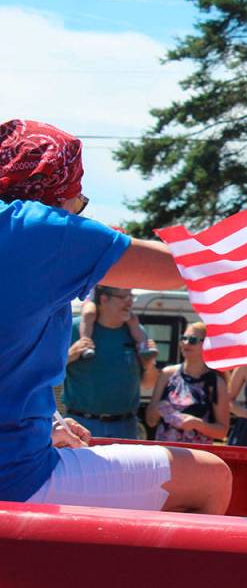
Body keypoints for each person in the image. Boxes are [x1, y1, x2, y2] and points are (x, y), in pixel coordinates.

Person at [0, 118, 231, 514]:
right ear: (58, 193)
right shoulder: (36, 229)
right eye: (78, 199)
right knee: (210, 477)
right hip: (14, 478)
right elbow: (184, 268)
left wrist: (49, 422)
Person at [65, 286, 160, 439]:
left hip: (126, 427)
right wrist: (69, 355)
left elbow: (148, 384)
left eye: (131, 296)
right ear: (104, 299)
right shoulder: (75, 328)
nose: (130, 302)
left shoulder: (136, 332)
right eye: (123, 297)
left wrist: (149, 365)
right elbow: (45, 372)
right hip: (82, 424)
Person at [146, 322, 230, 444]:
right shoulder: (167, 374)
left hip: (196, 456)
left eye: (192, 340)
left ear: (206, 345)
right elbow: (150, 421)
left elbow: (222, 431)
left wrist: (197, 424)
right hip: (166, 453)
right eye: (183, 338)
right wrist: (158, 410)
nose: (185, 343)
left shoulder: (216, 382)